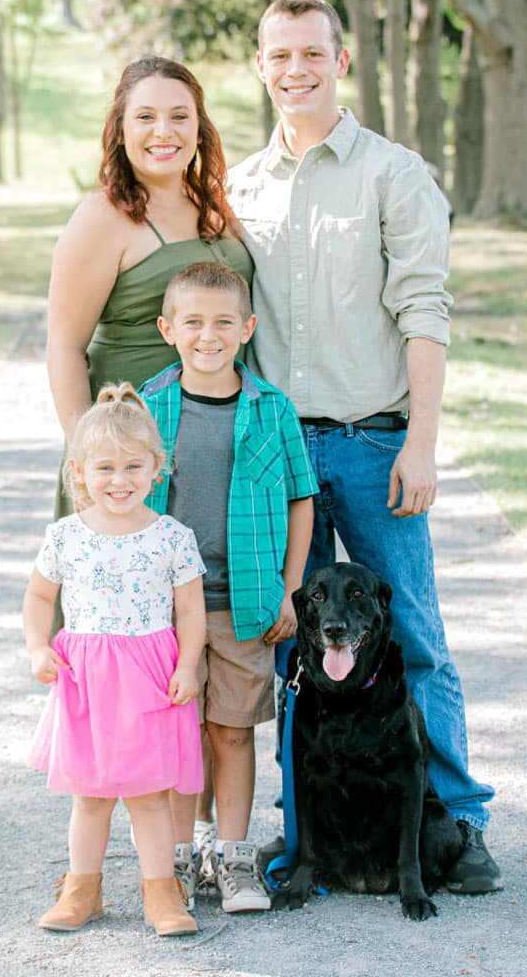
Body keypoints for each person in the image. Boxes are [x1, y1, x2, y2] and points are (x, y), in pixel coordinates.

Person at [227, 0, 501, 895]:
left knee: (412, 636)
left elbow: (425, 310)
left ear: (340, 60)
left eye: (313, 53)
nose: (296, 70)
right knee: (292, 644)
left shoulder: (395, 174)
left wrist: (421, 442)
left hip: (373, 442)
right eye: (280, 56)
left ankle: (456, 822)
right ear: (261, 65)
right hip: (278, 457)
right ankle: (306, 837)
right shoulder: (242, 188)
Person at [139, 261, 317, 912]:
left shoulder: (273, 410)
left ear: (247, 327)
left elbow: (302, 500)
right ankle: (181, 857)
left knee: (233, 732)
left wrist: (289, 589)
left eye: (222, 322)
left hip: (245, 606)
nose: (207, 335)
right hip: (167, 613)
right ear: (168, 328)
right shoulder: (148, 407)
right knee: (181, 735)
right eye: (193, 322)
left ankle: (237, 859)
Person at [23, 383, 206, 936]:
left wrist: (187, 665)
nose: (119, 480)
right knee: (92, 796)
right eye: (104, 468)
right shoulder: (66, 537)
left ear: (158, 468)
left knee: (150, 797)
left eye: (133, 466)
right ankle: (83, 890)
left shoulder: (172, 538)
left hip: (150, 678)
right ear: (78, 471)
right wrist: (38, 647)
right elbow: (38, 598)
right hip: (88, 680)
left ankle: (162, 895)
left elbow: (191, 612)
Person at [47, 55, 253, 525]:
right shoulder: (101, 219)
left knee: (208, 591)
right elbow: (64, 348)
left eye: (180, 117)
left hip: (213, 440)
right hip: (127, 457)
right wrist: (88, 465)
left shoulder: (213, 203)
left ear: (199, 128)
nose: (164, 131)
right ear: (120, 130)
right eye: (145, 117)